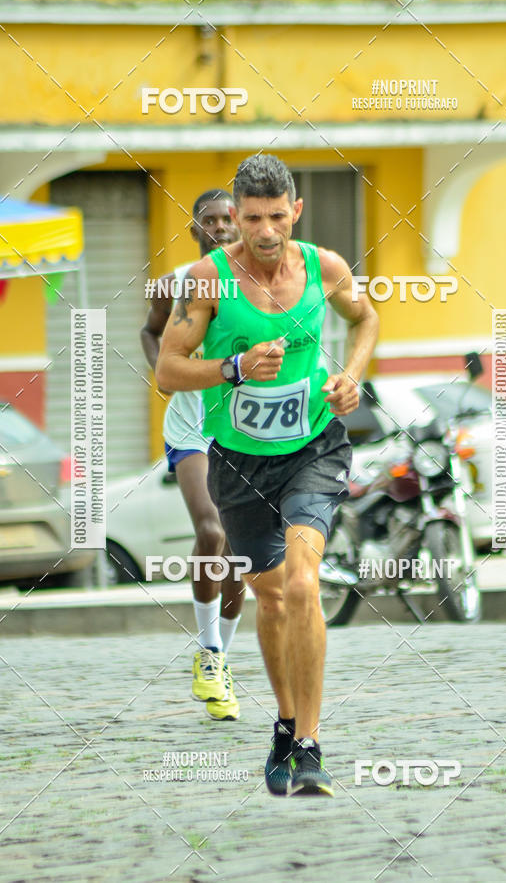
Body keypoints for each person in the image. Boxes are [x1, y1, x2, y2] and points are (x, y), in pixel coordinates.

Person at [156, 154, 379, 796]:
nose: (263, 231)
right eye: (251, 218)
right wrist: (233, 367)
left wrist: (351, 377)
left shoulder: (324, 267)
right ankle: (284, 723)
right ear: (236, 217)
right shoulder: (207, 281)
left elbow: (365, 318)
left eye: (276, 217)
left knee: (305, 584)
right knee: (274, 596)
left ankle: (309, 745)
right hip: (238, 462)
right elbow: (168, 371)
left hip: (313, 448)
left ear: (295, 212)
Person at [140, 189, 244, 721]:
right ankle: (208, 654)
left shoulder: (263, 285)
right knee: (212, 531)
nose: (222, 227)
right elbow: (150, 330)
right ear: (196, 229)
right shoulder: (175, 283)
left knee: (243, 552)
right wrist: (164, 371)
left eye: (230, 218)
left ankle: (223, 656)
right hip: (191, 429)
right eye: (211, 220)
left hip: (247, 433)